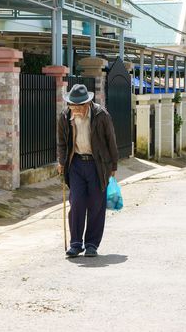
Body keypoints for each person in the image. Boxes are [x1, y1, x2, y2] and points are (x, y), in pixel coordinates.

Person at [57, 84, 119, 258]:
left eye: (78, 106)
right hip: (75, 164)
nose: (74, 109)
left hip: (97, 165)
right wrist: (61, 162)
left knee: (96, 205)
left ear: (87, 104)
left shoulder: (101, 115)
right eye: (72, 105)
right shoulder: (64, 116)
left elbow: (111, 140)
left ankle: (91, 244)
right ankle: (76, 243)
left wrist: (113, 166)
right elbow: (61, 143)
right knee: (76, 202)